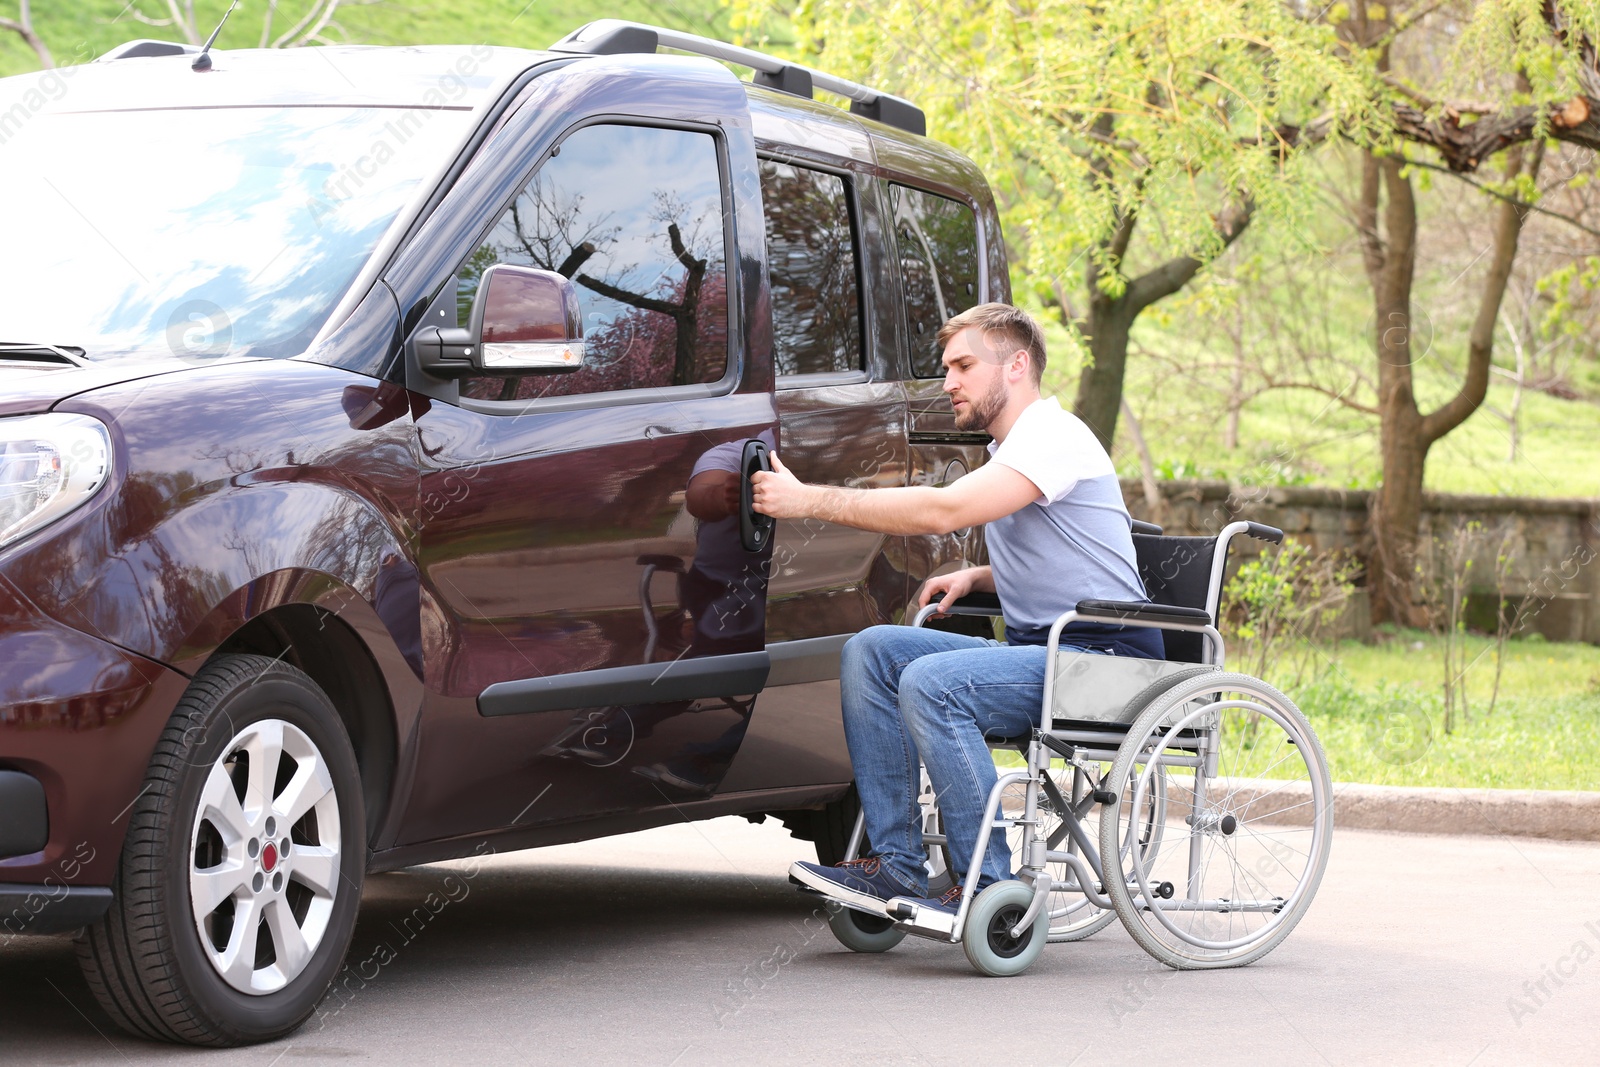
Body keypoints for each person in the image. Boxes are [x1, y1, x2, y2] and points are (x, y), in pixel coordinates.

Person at [750, 302, 1161, 919]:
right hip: (1044, 651)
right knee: (872, 651)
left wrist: (807, 500)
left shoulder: (1052, 437)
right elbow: (1076, 555)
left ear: (1017, 365)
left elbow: (943, 511)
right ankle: (896, 867)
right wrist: (980, 576)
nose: (948, 384)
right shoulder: (1015, 451)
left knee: (933, 684)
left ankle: (985, 885)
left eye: (964, 365)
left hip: (1103, 659)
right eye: (947, 368)